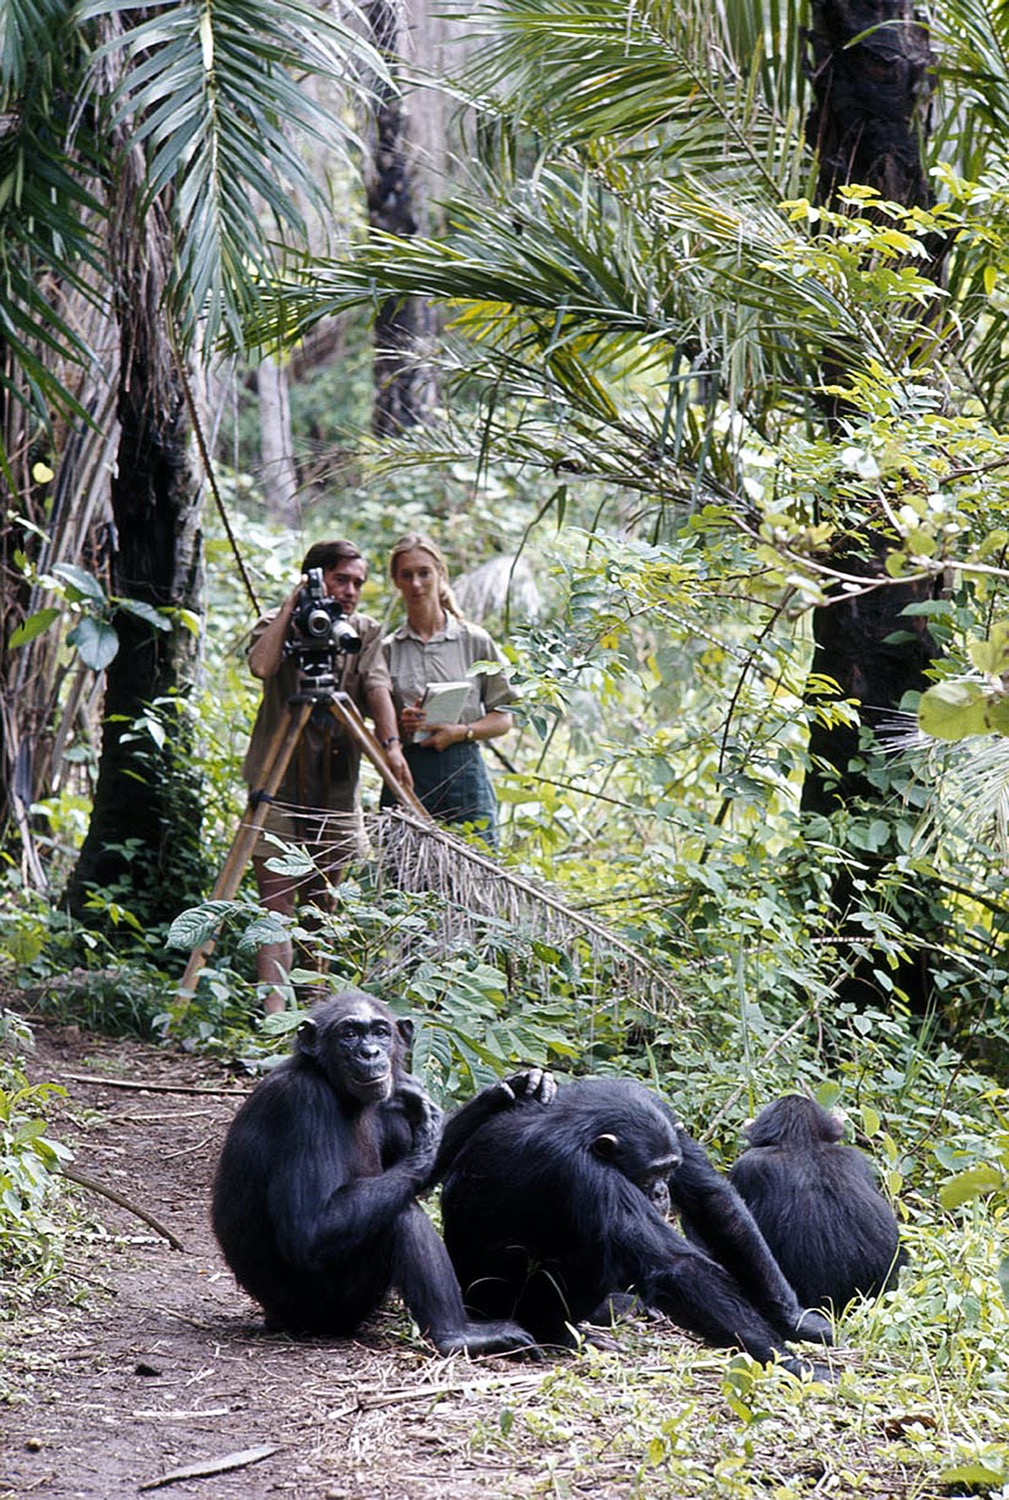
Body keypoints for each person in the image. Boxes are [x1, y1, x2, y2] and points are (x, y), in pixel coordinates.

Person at [242, 540, 413, 1012]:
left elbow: (376, 685)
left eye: (358, 582)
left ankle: (315, 1010)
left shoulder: (363, 632)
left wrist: (391, 744)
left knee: (323, 908)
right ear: (315, 578)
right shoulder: (279, 625)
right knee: (276, 910)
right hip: (275, 785)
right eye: (341, 580)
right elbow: (261, 665)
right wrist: (293, 605)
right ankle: (274, 1019)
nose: (351, 591)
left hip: (336, 789)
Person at [380, 532, 517, 846]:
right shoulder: (388, 650)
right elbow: (375, 720)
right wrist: (402, 724)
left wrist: (461, 731)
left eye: (424, 573)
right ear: (396, 582)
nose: (416, 584)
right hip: (409, 769)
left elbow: (505, 717)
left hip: (464, 766)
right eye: (407, 575)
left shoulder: (474, 640)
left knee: (477, 864)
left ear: (440, 575)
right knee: (406, 870)